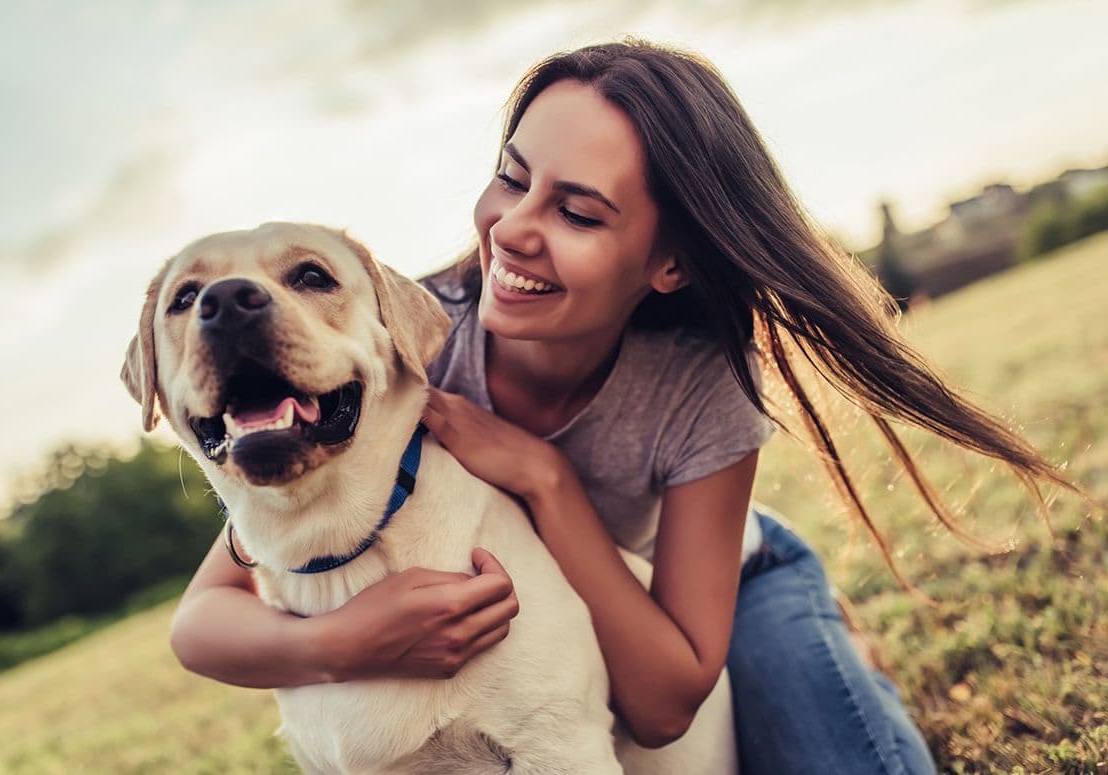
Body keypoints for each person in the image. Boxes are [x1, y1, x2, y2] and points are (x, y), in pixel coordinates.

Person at [169, 40, 1076, 774]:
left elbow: (662, 702)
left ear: (668, 263)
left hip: (721, 594)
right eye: (512, 176)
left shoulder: (698, 385)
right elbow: (203, 618)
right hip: (586, 627)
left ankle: (834, 648)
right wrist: (342, 640)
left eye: (580, 212)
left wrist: (546, 478)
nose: (515, 228)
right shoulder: (402, 347)